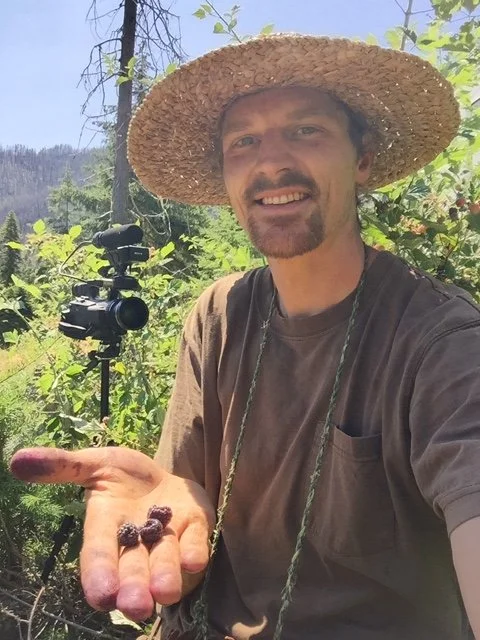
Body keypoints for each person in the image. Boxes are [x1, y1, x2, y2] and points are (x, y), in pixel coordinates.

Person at [10, 34, 480, 640]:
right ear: (227, 175)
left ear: (362, 159)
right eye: (244, 141)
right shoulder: (219, 315)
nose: (272, 162)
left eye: (306, 130)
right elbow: (183, 496)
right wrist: (166, 504)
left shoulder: (441, 343)